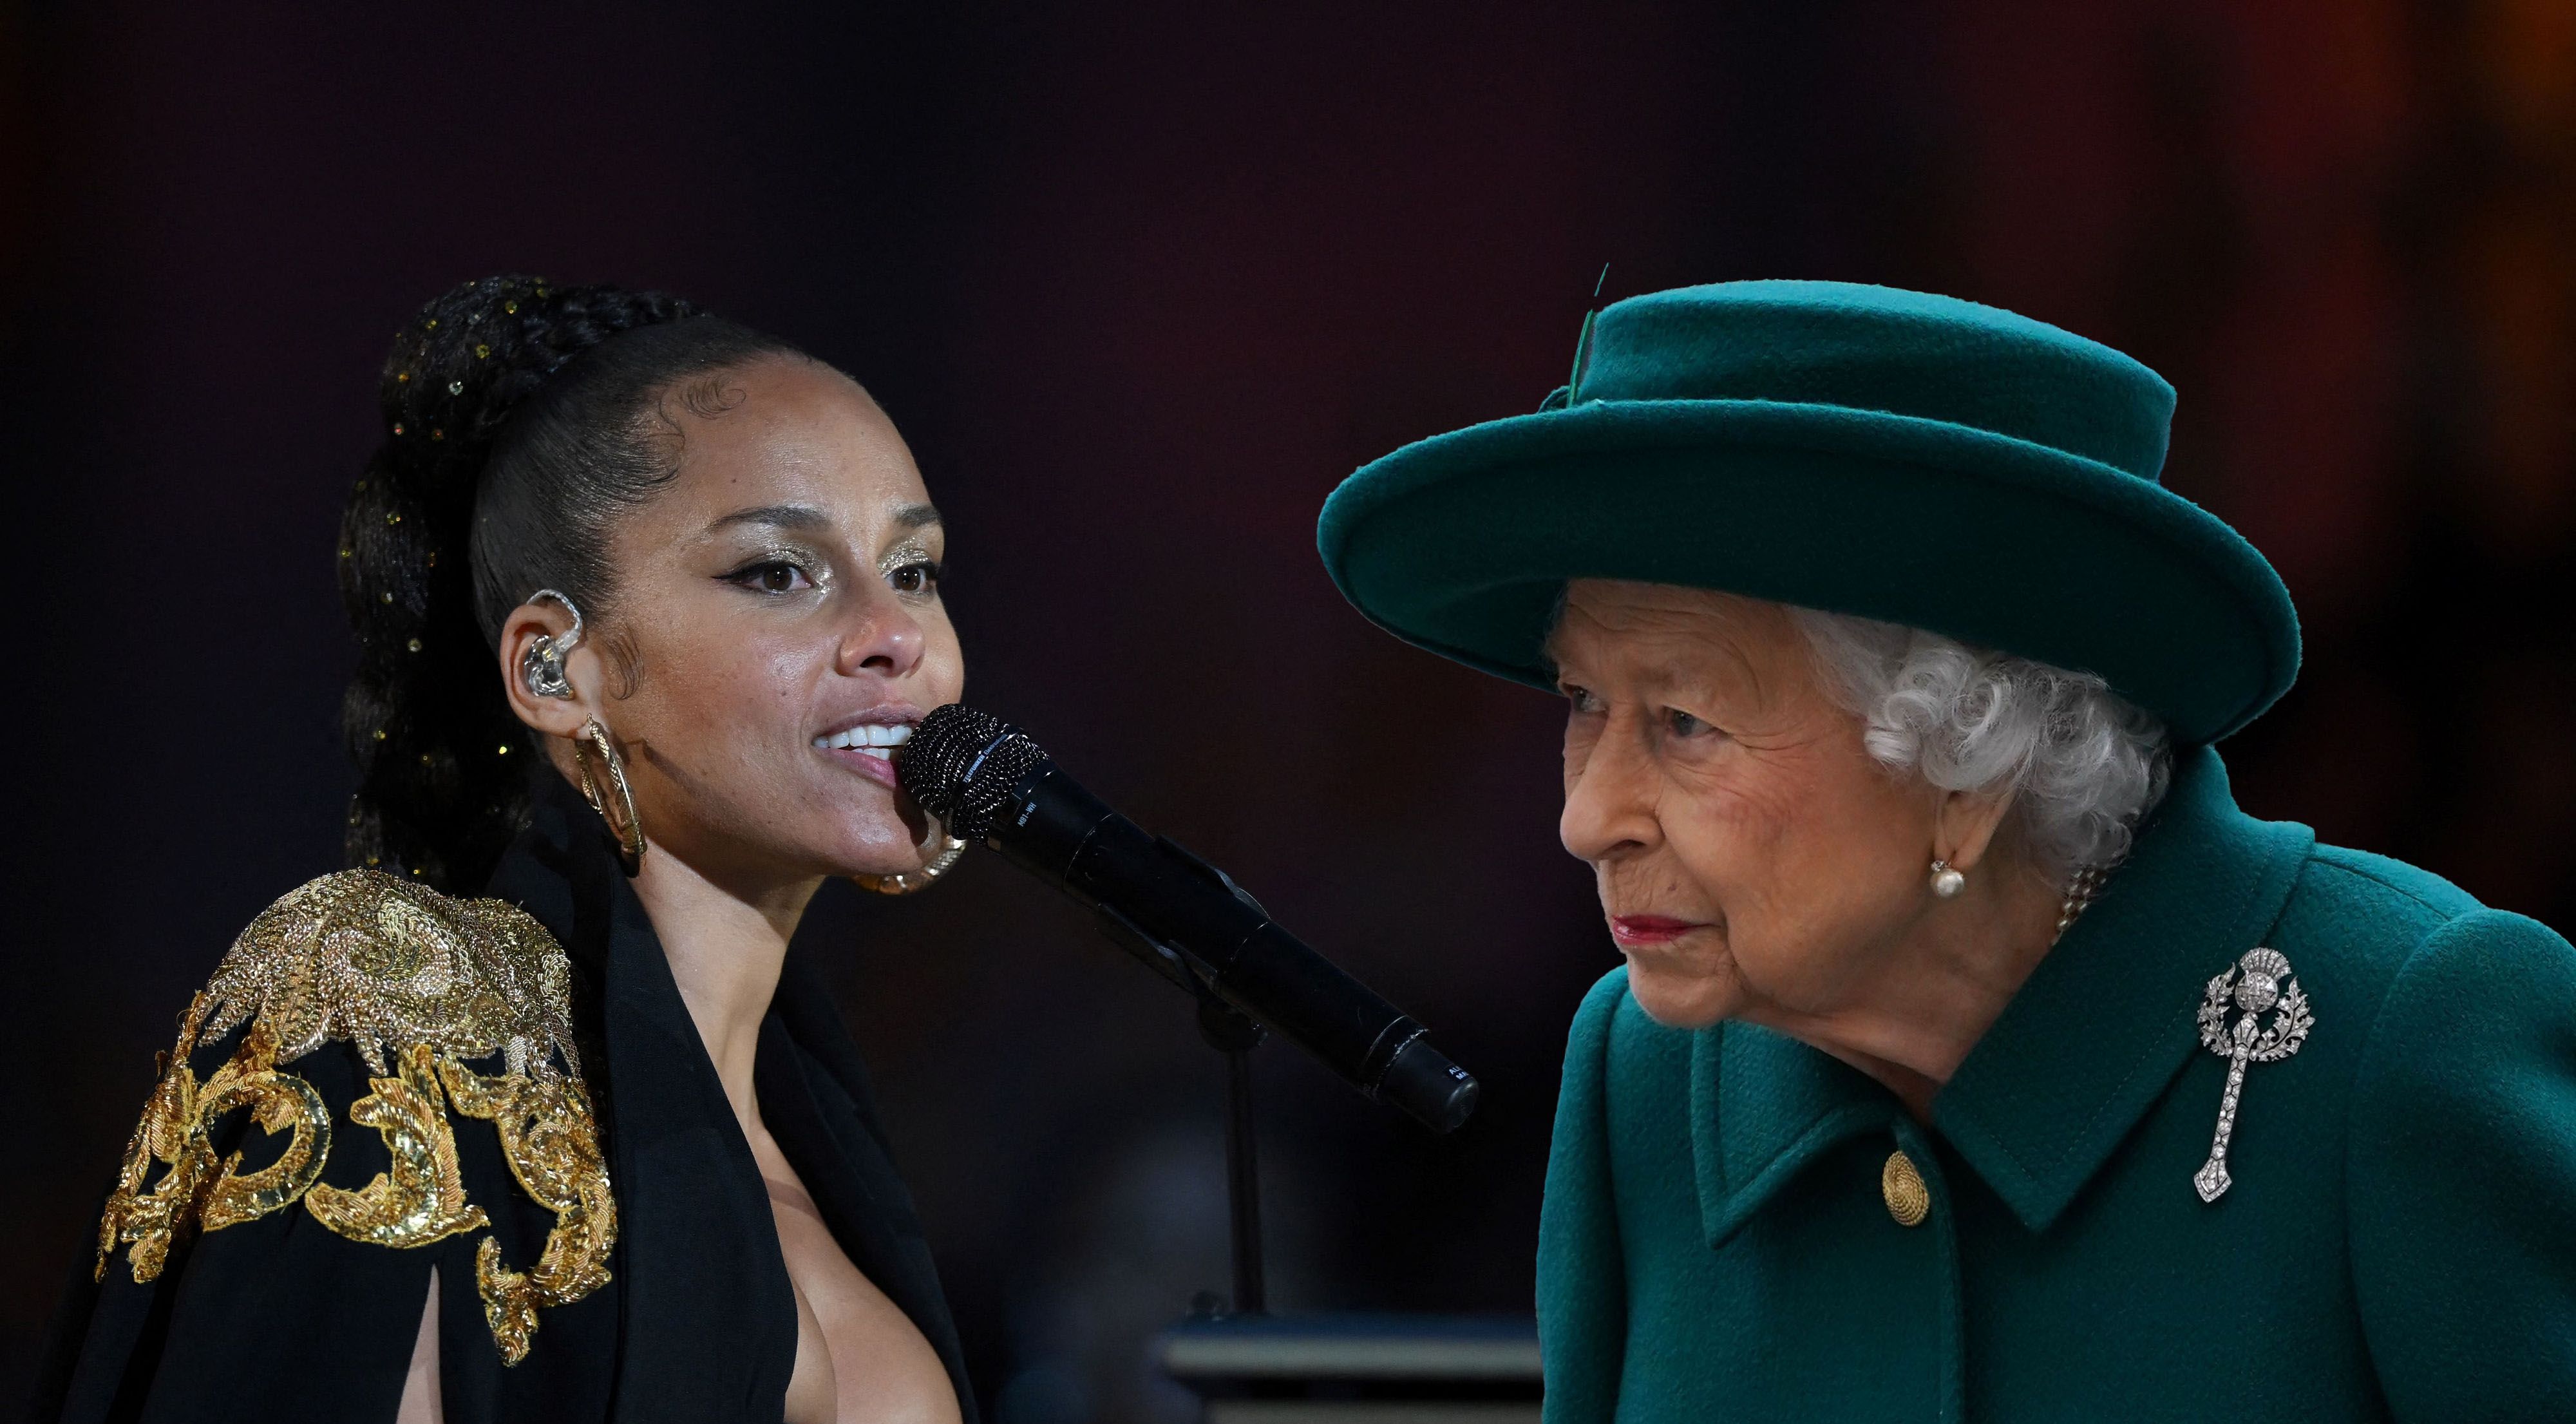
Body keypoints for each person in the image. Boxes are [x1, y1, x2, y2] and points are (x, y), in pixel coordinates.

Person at [1316, 280, 2576, 1419]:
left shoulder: (2403, 1033)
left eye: (1684, 719)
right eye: (1581, 703)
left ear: (1964, 764)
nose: (1587, 816)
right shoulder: (1643, 1068)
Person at [35, 276, 978, 1424]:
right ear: (553, 669)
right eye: (777, 572)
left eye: (915, 571)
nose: (892, 635)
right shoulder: (391, 1005)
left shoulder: (817, 1138)